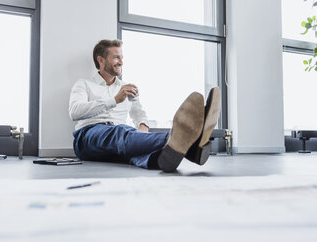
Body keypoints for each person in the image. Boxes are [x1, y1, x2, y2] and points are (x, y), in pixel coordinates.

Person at [69, 39, 221, 172]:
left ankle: (164, 158)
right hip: (87, 137)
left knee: (131, 149)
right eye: (116, 57)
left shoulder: (126, 87)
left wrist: (143, 126)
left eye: (122, 57)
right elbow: (74, 112)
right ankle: (189, 144)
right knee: (121, 133)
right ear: (101, 60)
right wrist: (114, 100)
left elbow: (139, 113)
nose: (121, 62)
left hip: (121, 139)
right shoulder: (84, 84)